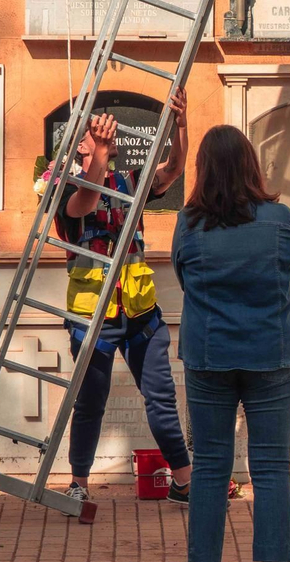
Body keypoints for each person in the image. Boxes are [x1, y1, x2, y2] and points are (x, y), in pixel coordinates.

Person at [173, 126, 290, 562]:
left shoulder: (189, 222)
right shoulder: (280, 219)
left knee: (210, 464)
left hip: (209, 350)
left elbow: (184, 277)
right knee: (270, 465)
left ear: (203, 170)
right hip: (271, 349)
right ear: (252, 165)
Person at [53, 90, 190, 510]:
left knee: (161, 397)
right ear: (79, 146)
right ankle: (79, 482)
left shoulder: (130, 181)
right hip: (92, 317)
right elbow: (85, 203)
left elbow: (173, 168)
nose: (105, 133)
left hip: (140, 313)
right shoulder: (64, 186)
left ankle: (185, 482)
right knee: (90, 402)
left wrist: (181, 125)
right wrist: (100, 153)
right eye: (93, 133)